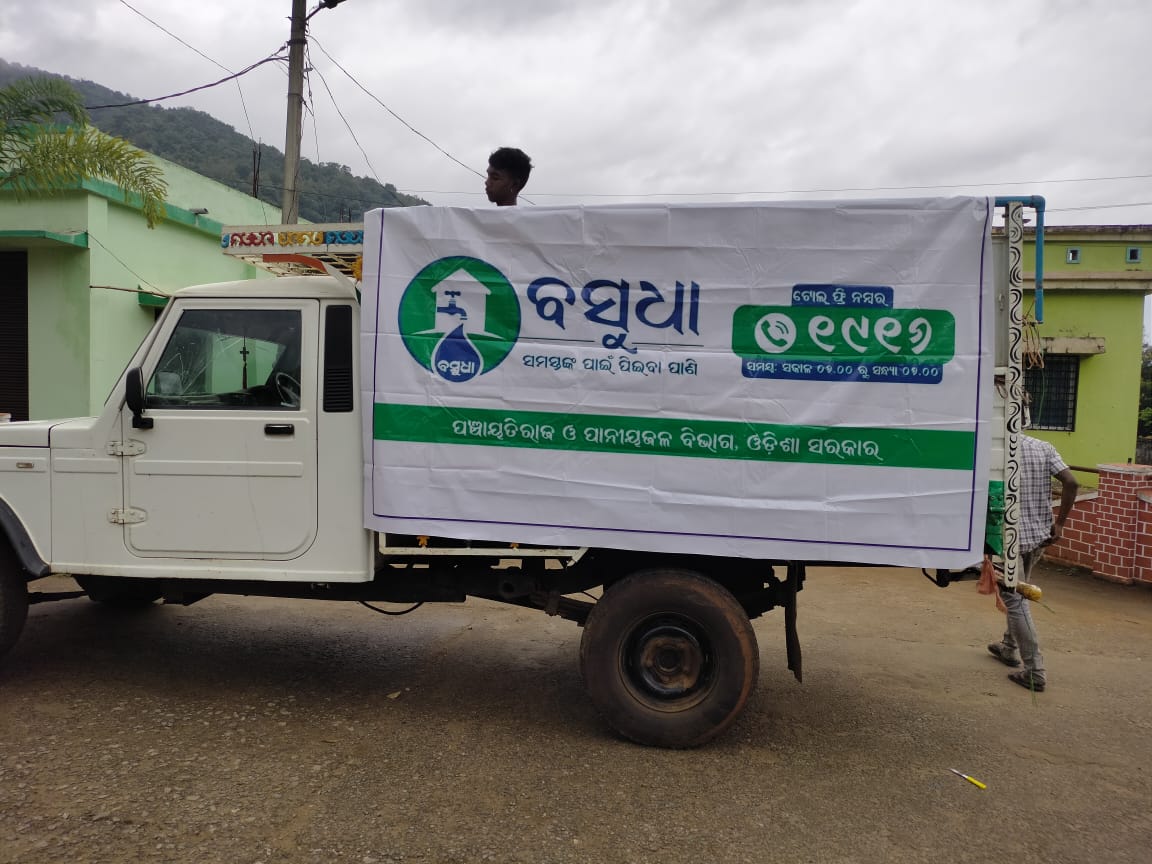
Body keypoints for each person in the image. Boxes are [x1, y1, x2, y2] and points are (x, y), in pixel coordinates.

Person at [987, 433, 1079, 692]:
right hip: (1038, 537)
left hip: (1008, 539)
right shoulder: (1043, 447)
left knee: (1014, 599)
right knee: (1020, 591)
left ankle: (1035, 671)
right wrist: (1060, 523)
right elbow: (1072, 482)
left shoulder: (994, 446)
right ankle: (1008, 646)